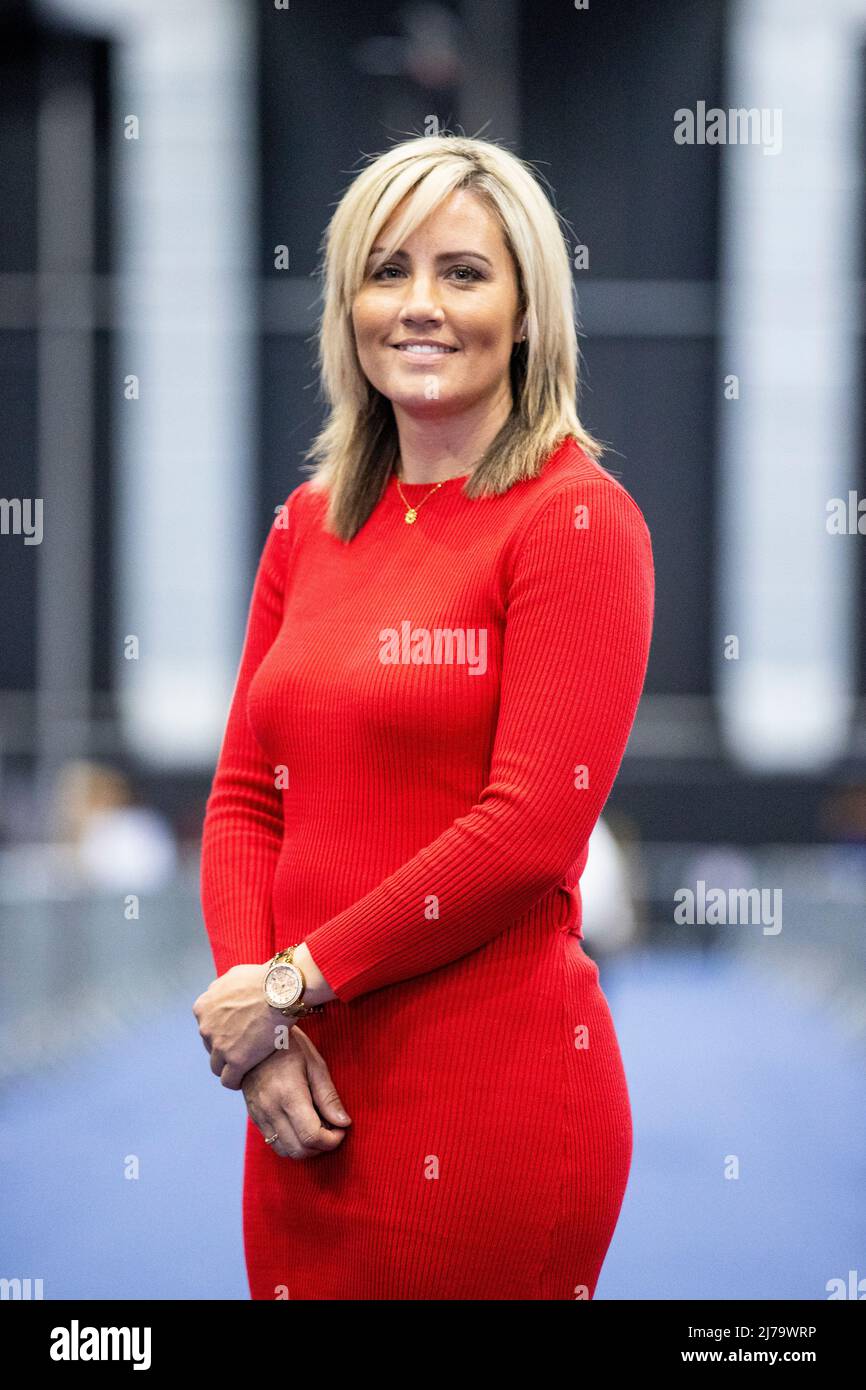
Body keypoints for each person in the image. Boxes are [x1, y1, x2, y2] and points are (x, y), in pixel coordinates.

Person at [193, 133, 655, 1300]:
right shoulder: (308, 524)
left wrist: (292, 980)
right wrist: (258, 1022)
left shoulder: (575, 522)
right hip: (294, 1090)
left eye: (462, 272)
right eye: (387, 269)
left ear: (527, 310)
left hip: (487, 1093)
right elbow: (247, 795)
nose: (418, 305)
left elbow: (527, 832)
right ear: (346, 301)